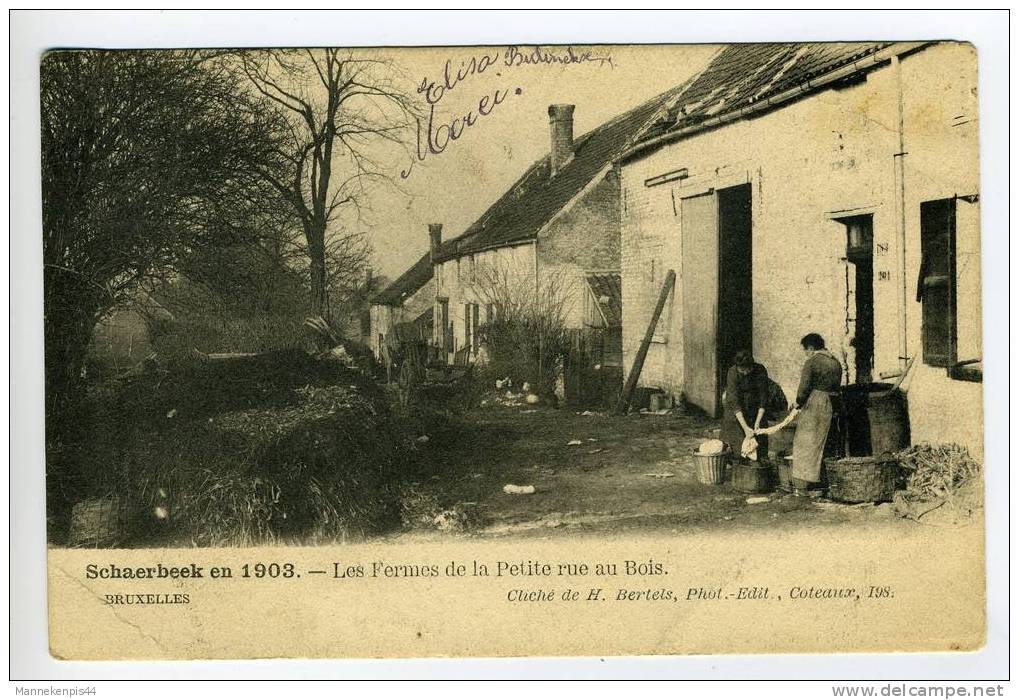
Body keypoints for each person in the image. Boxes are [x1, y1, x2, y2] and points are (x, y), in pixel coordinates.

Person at [789, 333, 845, 493]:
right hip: (835, 404)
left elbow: (804, 388)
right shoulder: (835, 362)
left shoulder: (812, 362)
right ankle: (827, 481)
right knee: (828, 443)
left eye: (805, 350)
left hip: (817, 404)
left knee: (808, 442)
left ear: (811, 348)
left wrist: (798, 403)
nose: (805, 354)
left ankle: (809, 482)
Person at [720, 350, 770, 463]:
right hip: (736, 411)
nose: (746, 372)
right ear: (737, 367)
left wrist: (758, 420)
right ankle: (738, 466)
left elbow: (764, 397)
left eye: (748, 369)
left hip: (755, 408)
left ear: (753, 365)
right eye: (742, 370)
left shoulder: (760, 370)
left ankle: (758, 465)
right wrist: (745, 427)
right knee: (737, 446)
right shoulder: (732, 372)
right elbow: (734, 401)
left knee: (759, 441)